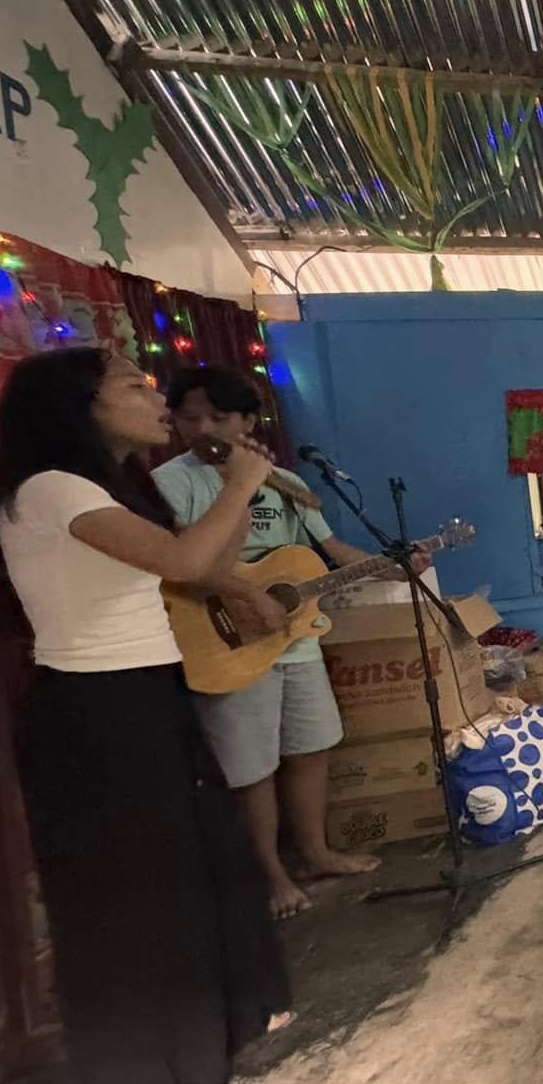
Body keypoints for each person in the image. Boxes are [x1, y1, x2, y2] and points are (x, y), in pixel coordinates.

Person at [0, 349, 294, 1084]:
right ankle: (142, 1082)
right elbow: (188, 559)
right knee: (136, 896)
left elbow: (196, 570)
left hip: (151, 692)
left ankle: (228, 1018)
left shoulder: (117, 487)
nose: (155, 397)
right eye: (132, 385)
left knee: (199, 862)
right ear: (78, 406)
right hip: (94, 713)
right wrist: (247, 485)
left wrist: (235, 496)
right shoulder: (53, 488)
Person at [156, 365, 413, 918]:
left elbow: (328, 552)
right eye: (189, 418)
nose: (203, 429)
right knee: (251, 767)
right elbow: (178, 565)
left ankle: (315, 854)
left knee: (310, 747)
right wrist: (247, 596)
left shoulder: (286, 485)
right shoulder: (170, 483)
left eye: (219, 418)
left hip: (293, 639)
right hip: (221, 638)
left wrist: (392, 567)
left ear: (248, 421)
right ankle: (269, 875)